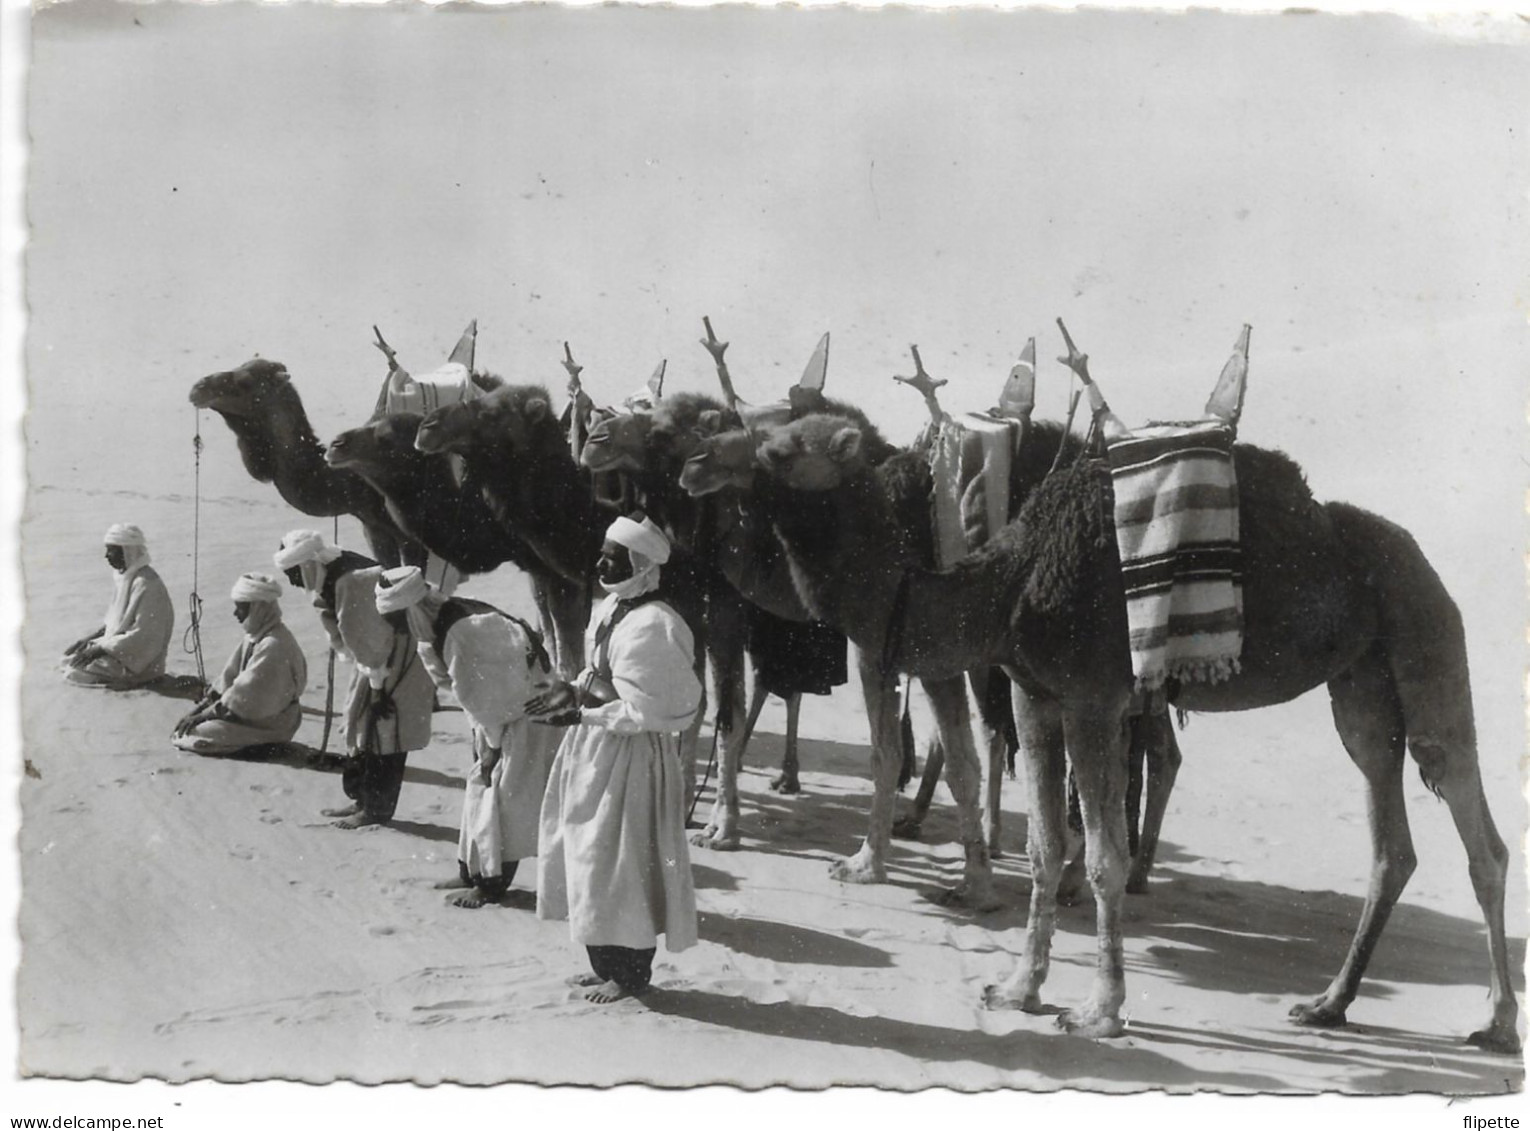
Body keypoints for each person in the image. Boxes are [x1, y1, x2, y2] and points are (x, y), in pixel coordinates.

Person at [528, 513, 702, 1004]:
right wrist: (572, 693)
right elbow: (598, 676)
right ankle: (605, 964)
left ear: (641, 564)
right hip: (595, 749)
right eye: (603, 553)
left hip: (631, 760)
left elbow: (650, 709)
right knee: (589, 858)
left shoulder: (657, 625)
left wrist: (584, 711)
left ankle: (629, 975)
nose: (600, 562)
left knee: (623, 865)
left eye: (612, 556)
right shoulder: (613, 607)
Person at [374, 566, 562, 908]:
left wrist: (490, 749)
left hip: (526, 720)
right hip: (502, 720)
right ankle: (470, 871)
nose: (391, 626)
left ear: (410, 608)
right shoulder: (442, 620)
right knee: (481, 792)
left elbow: (493, 701)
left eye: (394, 617)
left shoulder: (465, 630)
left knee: (502, 802)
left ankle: (490, 886)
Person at [274, 529, 433, 830]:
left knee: (385, 729)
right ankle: (363, 798)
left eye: (293, 573)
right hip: (378, 655)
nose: (292, 581)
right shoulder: (332, 570)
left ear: (307, 564)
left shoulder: (351, 580)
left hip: (395, 653)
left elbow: (368, 637)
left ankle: (377, 809)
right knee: (361, 724)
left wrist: (376, 689)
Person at [172, 573, 307, 756]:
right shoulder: (257, 636)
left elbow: (243, 698)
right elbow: (228, 681)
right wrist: (196, 711)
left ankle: (259, 744)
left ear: (258, 608)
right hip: (252, 715)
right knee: (188, 730)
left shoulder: (273, 645)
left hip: (273, 722)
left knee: (195, 734)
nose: (236, 614)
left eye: (241, 609)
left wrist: (201, 716)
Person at [62, 524, 175, 690]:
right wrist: (87, 640)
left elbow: (144, 635)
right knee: (69, 658)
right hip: (120, 649)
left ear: (127, 551)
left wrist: (98, 650)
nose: (106, 556)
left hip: (140, 661)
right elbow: (115, 622)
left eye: (111, 550)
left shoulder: (147, 584)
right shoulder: (126, 577)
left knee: (74, 671)